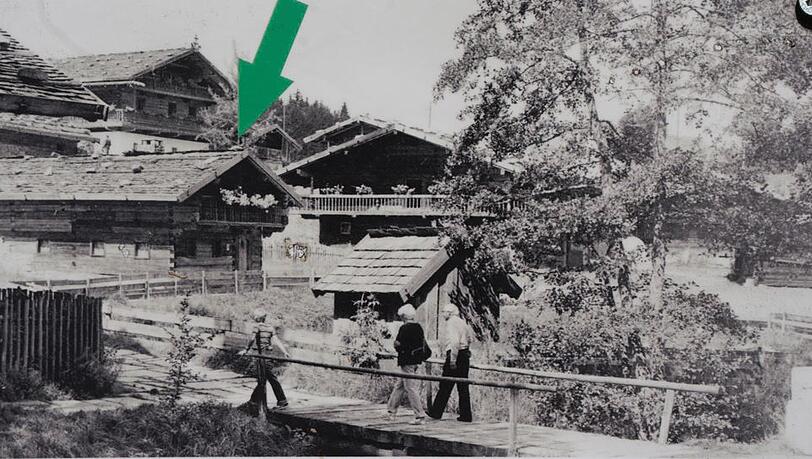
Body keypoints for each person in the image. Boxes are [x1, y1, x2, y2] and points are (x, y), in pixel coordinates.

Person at [427, 303, 474, 422]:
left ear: (449, 313)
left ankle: (436, 411)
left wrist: (453, 360)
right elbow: (470, 339)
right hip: (464, 354)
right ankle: (466, 415)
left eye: (444, 312)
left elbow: (454, 342)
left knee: (445, 384)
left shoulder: (451, 323)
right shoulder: (462, 322)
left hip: (456, 354)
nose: (443, 314)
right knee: (463, 386)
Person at [243, 308, 291, 417]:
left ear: (256, 318)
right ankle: (254, 401)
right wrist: (284, 351)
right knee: (266, 378)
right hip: (268, 355)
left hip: (261, 355)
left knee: (265, 379)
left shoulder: (257, 327)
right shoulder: (270, 327)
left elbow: (252, 338)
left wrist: (246, 349)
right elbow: (276, 340)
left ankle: (279, 401)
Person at [386, 304, 429, 425]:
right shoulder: (419, 327)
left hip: (406, 360)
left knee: (410, 387)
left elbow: (398, 344)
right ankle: (391, 411)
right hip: (415, 360)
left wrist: (397, 346)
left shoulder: (404, 328)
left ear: (404, 316)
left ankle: (419, 415)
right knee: (400, 385)